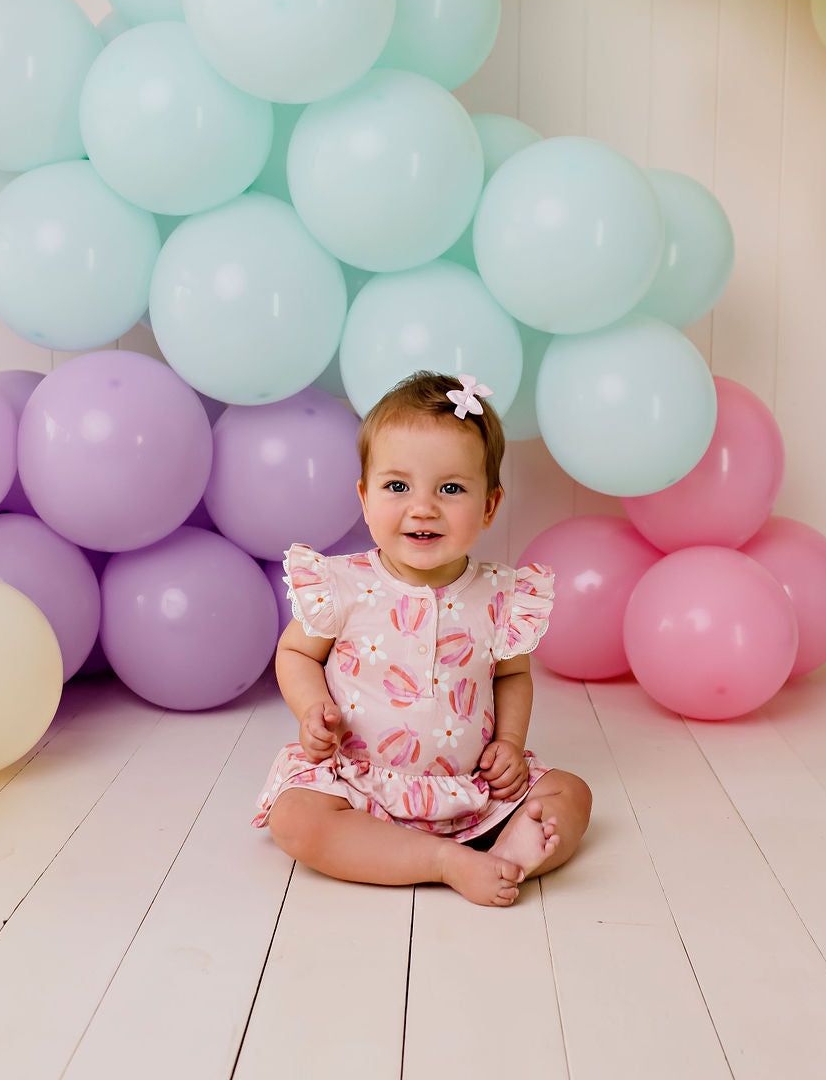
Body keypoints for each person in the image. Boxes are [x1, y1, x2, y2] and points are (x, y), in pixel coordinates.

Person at [254, 369, 592, 906]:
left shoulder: (500, 595)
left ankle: (510, 848)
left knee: (571, 793)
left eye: (451, 488)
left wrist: (508, 743)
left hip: (469, 789)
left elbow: (512, 676)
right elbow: (295, 651)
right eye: (397, 486)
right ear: (365, 498)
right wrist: (312, 708)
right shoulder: (344, 585)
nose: (423, 507)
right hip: (360, 780)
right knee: (297, 820)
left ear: (489, 505)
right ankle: (444, 861)